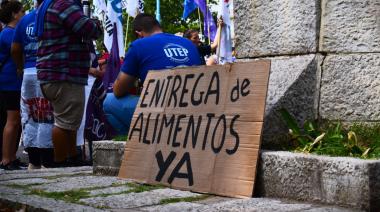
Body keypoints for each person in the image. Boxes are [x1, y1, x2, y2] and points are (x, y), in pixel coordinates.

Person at [103, 13, 201, 135]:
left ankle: (133, 142)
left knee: (108, 100)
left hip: (161, 115)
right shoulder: (189, 44)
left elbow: (118, 90)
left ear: (139, 34)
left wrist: (136, 73)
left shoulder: (139, 45)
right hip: (195, 113)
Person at [35, 0, 102, 165]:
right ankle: (60, 163)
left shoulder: (48, 5)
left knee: (69, 120)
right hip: (64, 73)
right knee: (64, 123)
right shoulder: (63, 5)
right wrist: (95, 23)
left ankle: (72, 157)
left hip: (53, 73)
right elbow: (88, 29)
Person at [11, 0, 56, 169]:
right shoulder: (52, 17)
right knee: (47, 114)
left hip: (29, 71)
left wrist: (20, 67)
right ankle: (47, 160)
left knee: (29, 115)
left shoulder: (25, 20)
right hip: (48, 70)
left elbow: (15, 49)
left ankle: (34, 161)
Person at [0, 0, 25, 170]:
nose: (23, 14)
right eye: (22, 11)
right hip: (10, 82)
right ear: (14, 14)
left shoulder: (9, 32)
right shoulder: (9, 34)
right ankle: (6, 159)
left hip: (12, 82)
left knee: (16, 121)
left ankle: (12, 156)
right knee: (12, 120)